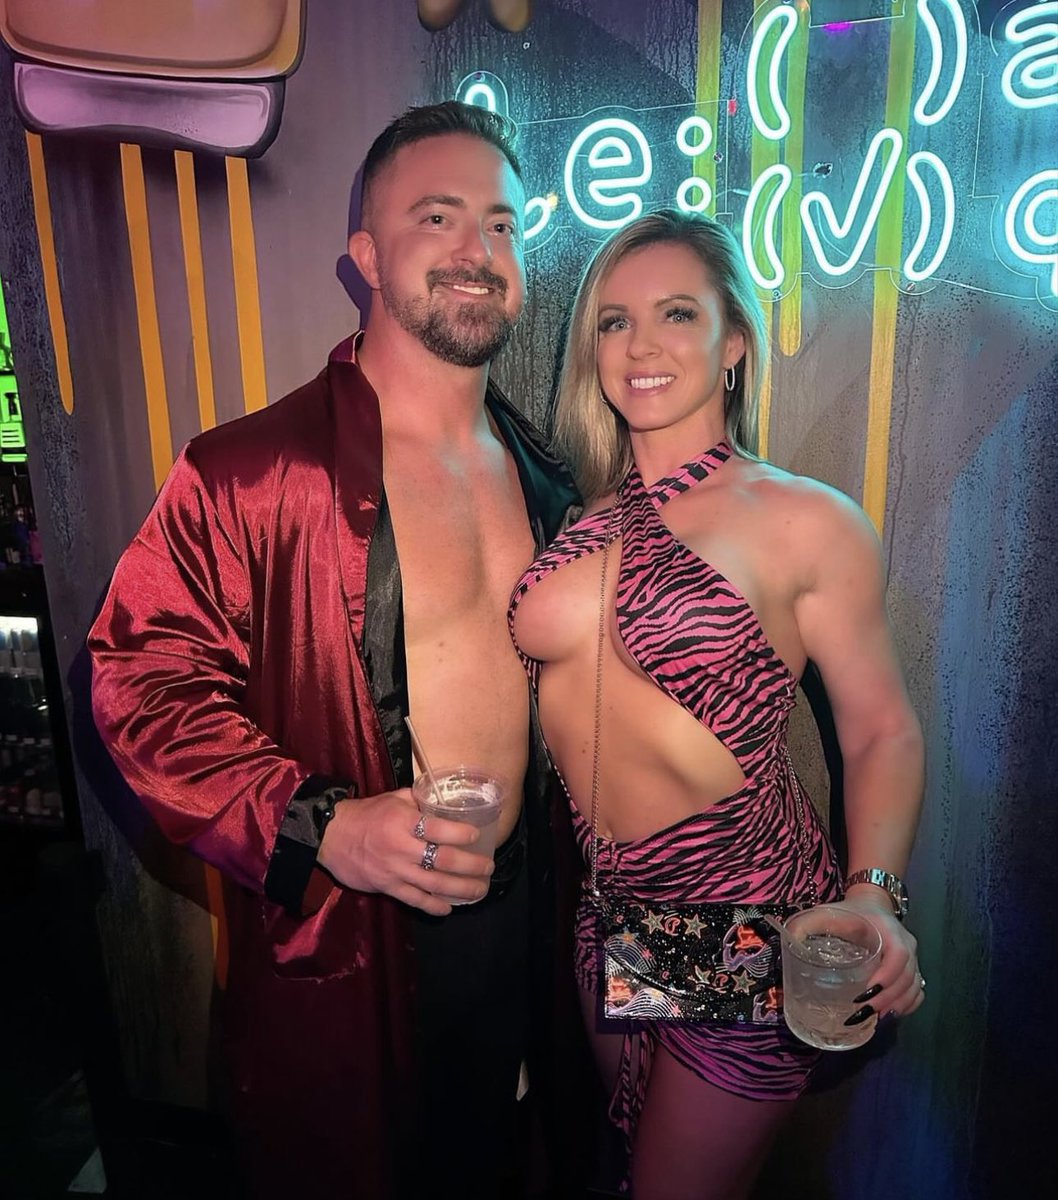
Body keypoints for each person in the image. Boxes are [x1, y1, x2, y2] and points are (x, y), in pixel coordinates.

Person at [88, 101, 579, 1200]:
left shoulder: (546, 475)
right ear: (364, 256)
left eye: (501, 224)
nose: (477, 249)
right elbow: (138, 684)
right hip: (352, 944)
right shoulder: (249, 473)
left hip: (523, 928)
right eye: (436, 217)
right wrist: (325, 825)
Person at [508, 209, 925, 1200]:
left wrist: (873, 893)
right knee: (631, 1165)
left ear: (734, 342)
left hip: (750, 922)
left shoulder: (804, 519)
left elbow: (881, 729)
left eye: (677, 314)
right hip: (611, 918)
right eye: (614, 321)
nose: (639, 345)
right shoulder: (576, 520)